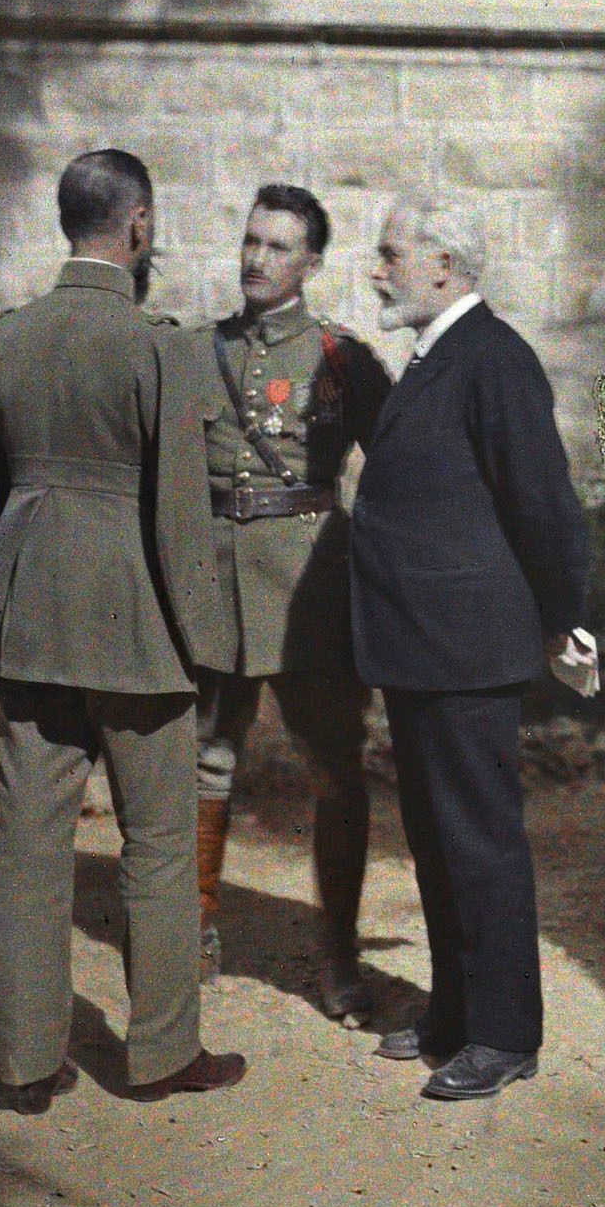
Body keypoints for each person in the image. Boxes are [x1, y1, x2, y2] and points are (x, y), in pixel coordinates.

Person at [0, 148, 245, 1111]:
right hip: (137, 623)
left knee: (29, 839)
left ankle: (27, 1061)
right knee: (156, 840)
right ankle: (160, 1055)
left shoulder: (3, 339)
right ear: (139, 226)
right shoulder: (158, 344)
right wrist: (204, 641)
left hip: (29, 613)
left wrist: (45, 514)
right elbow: (181, 512)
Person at [350, 194, 590, 1101]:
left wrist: (563, 613)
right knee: (436, 837)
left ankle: (503, 1033)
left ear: (442, 267)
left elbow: (542, 500)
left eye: (388, 254)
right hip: (422, 646)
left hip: (468, 647)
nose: (376, 270)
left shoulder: (494, 359)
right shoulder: (440, 354)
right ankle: (454, 1011)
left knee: (479, 842)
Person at [195, 184, 392, 1019]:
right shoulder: (196, 353)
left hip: (310, 586)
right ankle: (193, 929)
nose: (255, 259)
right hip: (213, 581)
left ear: (310, 265)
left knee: (334, 769)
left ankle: (339, 953)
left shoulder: (343, 360)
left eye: (277, 248)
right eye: (249, 241)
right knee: (203, 760)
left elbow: (399, 464)